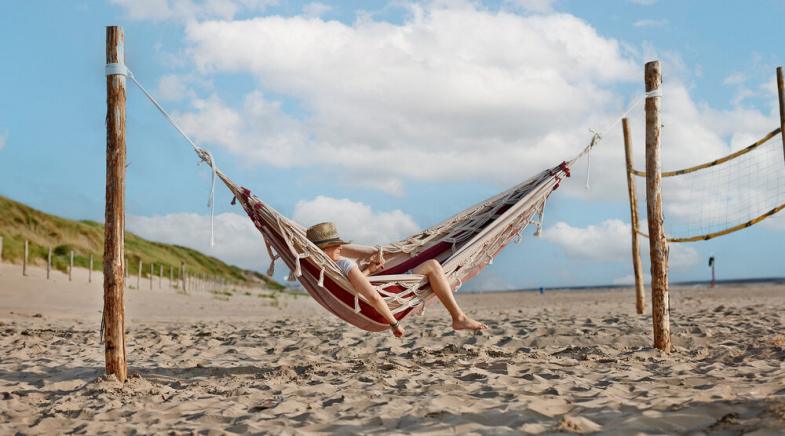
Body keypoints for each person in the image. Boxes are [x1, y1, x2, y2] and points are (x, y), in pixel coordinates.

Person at [306, 222, 487, 338]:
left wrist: (368, 270)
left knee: (431, 266)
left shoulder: (326, 268)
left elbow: (353, 285)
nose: (340, 247)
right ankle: (458, 317)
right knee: (432, 265)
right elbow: (373, 297)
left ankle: (459, 317)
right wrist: (394, 323)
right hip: (390, 296)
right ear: (326, 249)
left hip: (381, 295)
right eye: (335, 244)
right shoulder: (344, 263)